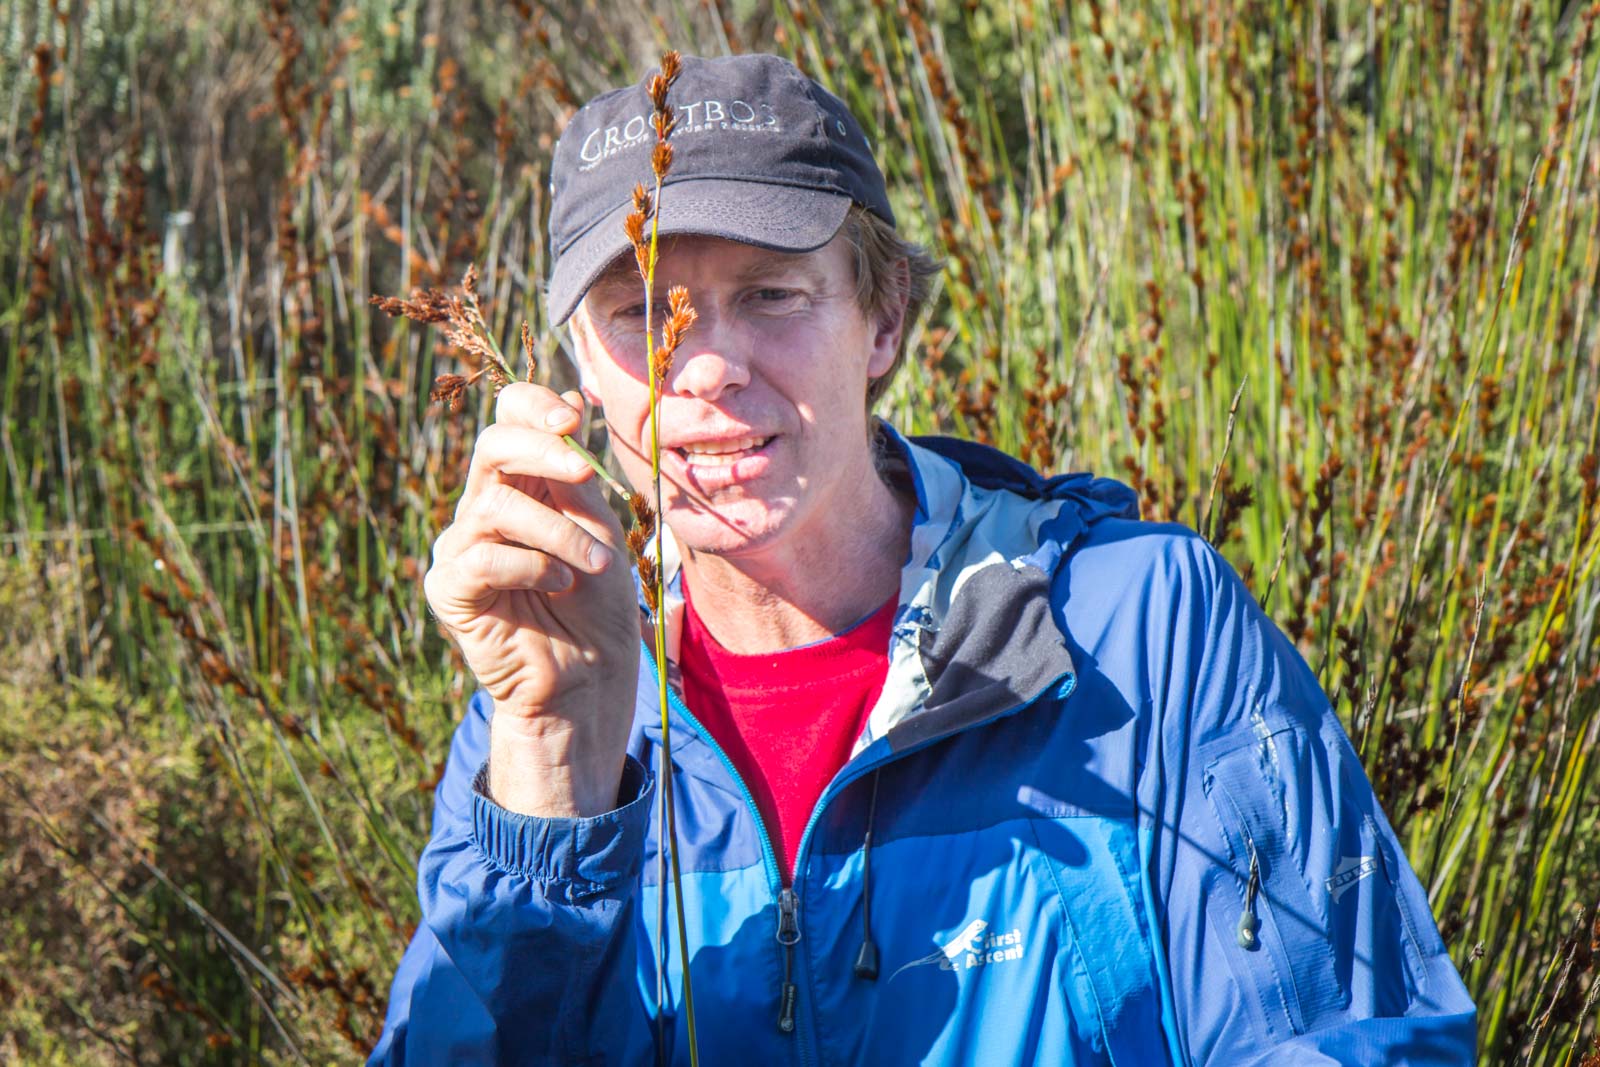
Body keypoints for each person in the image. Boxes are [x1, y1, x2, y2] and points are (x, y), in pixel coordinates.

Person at [370, 53, 1476, 1065]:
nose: (704, 366)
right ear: (578, 372)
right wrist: (554, 770)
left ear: (885, 316)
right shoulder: (550, 705)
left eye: (771, 293)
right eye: (640, 312)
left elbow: (1355, 1035)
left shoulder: (1135, 630)